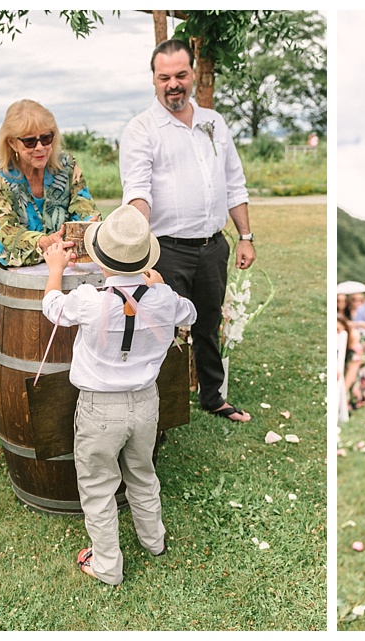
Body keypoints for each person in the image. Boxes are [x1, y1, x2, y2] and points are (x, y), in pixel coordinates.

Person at [39, 205, 195, 586]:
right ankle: (153, 540)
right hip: (144, 403)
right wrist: (158, 286)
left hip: (99, 409)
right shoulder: (163, 298)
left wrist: (56, 269)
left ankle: (108, 565)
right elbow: (188, 314)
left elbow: (51, 307)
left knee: (97, 485)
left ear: (99, 258)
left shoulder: (89, 300)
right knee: (142, 472)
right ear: (145, 260)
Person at [120, 39, 254, 423]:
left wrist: (244, 236)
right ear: (153, 80)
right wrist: (135, 240)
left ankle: (213, 397)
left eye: (180, 75)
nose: (173, 84)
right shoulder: (141, 128)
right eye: (165, 77)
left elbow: (234, 182)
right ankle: (156, 406)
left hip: (213, 247)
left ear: (193, 73)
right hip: (167, 249)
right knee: (160, 329)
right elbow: (138, 191)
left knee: (209, 324)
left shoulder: (215, 122)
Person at [0, 99, 99, 297]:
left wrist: (89, 227)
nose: (40, 147)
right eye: (29, 141)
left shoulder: (67, 166)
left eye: (46, 138)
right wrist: (44, 241)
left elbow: (85, 209)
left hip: (66, 267)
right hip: (17, 275)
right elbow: (5, 231)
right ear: (12, 142)